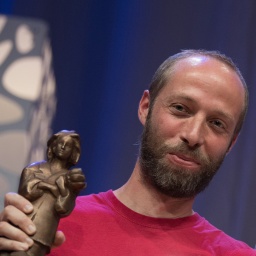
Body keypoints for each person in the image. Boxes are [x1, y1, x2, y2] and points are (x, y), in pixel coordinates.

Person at [0, 49, 255, 255]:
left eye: (217, 124)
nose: (193, 135)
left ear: (231, 143)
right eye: (180, 108)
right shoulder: (48, 226)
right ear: (146, 107)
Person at [0, 130, 85, 256]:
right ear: (53, 145)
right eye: (60, 143)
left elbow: (62, 207)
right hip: (18, 229)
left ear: (73, 152)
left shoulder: (69, 179)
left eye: (68, 146)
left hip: (43, 235)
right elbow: (26, 191)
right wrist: (50, 187)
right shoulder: (33, 168)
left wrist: (70, 191)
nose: (62, 147)